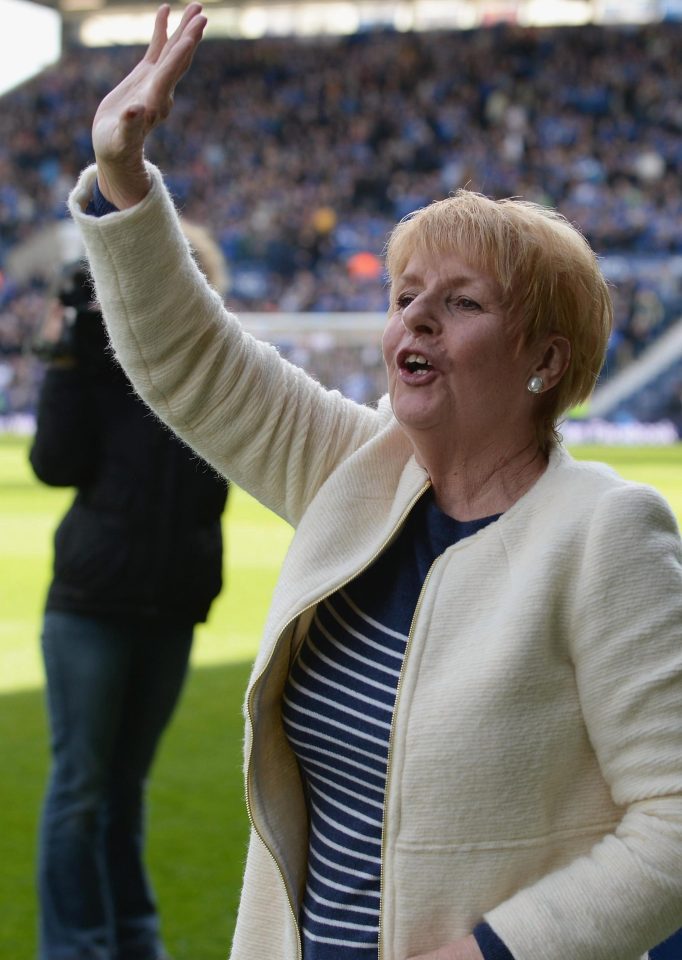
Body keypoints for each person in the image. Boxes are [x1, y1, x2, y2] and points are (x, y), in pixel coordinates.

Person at [66, 6, 682, 959]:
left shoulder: (607, 533)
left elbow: (675, 821)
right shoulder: (358, 469)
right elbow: (192, 360)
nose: (413, 323)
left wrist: (495, 953)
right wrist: (123, 176)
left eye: (461, 302)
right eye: (403, 298)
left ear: (545, 361)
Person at [29, 217, 229, 960]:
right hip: (92, 603)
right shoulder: (100, 361)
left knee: (124, 788)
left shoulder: (216, 372)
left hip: (171, 604)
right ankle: (77, 948)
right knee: (82, 788)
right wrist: (71, 359)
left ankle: (133, 941)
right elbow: (54, 463)